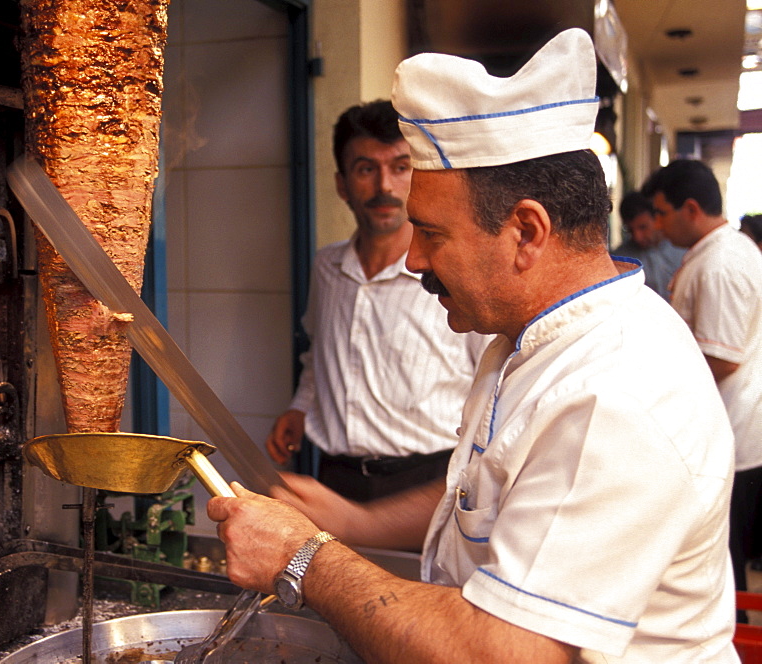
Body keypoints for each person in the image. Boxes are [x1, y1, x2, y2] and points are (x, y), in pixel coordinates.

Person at [210, 29, 737, 663]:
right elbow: (493, 489)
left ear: (526, 232)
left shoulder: (614, 394)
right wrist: (358, 525)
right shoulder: (527, 339)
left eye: (431, 233)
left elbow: (504, 654)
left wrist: (304, 558)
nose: (414, 258)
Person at [265, 100, 489, 502]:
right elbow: (320, 353)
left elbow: (494, 382)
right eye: (366, 169)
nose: (384, 186)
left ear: (417, 177)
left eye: (401, 167)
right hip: (335, 478)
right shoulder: (326, 267)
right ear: (342, 183)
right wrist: (300, 408)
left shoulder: (455, 276)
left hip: (427, 483)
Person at [642, 160, 762, 602]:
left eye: (661, 212)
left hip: (733, 433)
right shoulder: (720, 252)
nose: (657, 223)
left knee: (721, 564)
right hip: (728, 430)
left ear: (690, 209)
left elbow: (721, 358)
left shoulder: (721, 263)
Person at [610, 190, 685, 298]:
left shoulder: (682, 248)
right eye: (630, 230)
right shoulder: (621, 261)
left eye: (643, 227)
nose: (637, 237)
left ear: (657, 219)